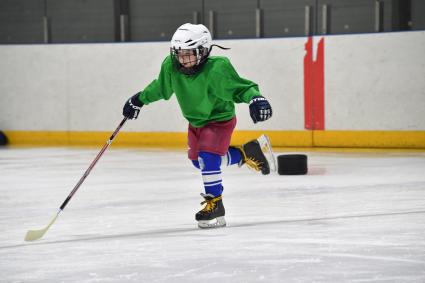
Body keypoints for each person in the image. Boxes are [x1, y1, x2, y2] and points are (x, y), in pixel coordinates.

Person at [122, 23, 275, 229]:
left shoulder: (217, 69)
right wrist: (139, 99)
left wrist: (256, 99)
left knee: (208, 158)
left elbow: (240, 88)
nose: (182, 59)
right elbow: (161, 88)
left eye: (188, 53)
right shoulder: (171, 66)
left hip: (219, 119)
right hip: (196, 122)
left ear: (203, 51)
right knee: (198, 162)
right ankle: (247, 152)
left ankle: (215, 204)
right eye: (179, 53)